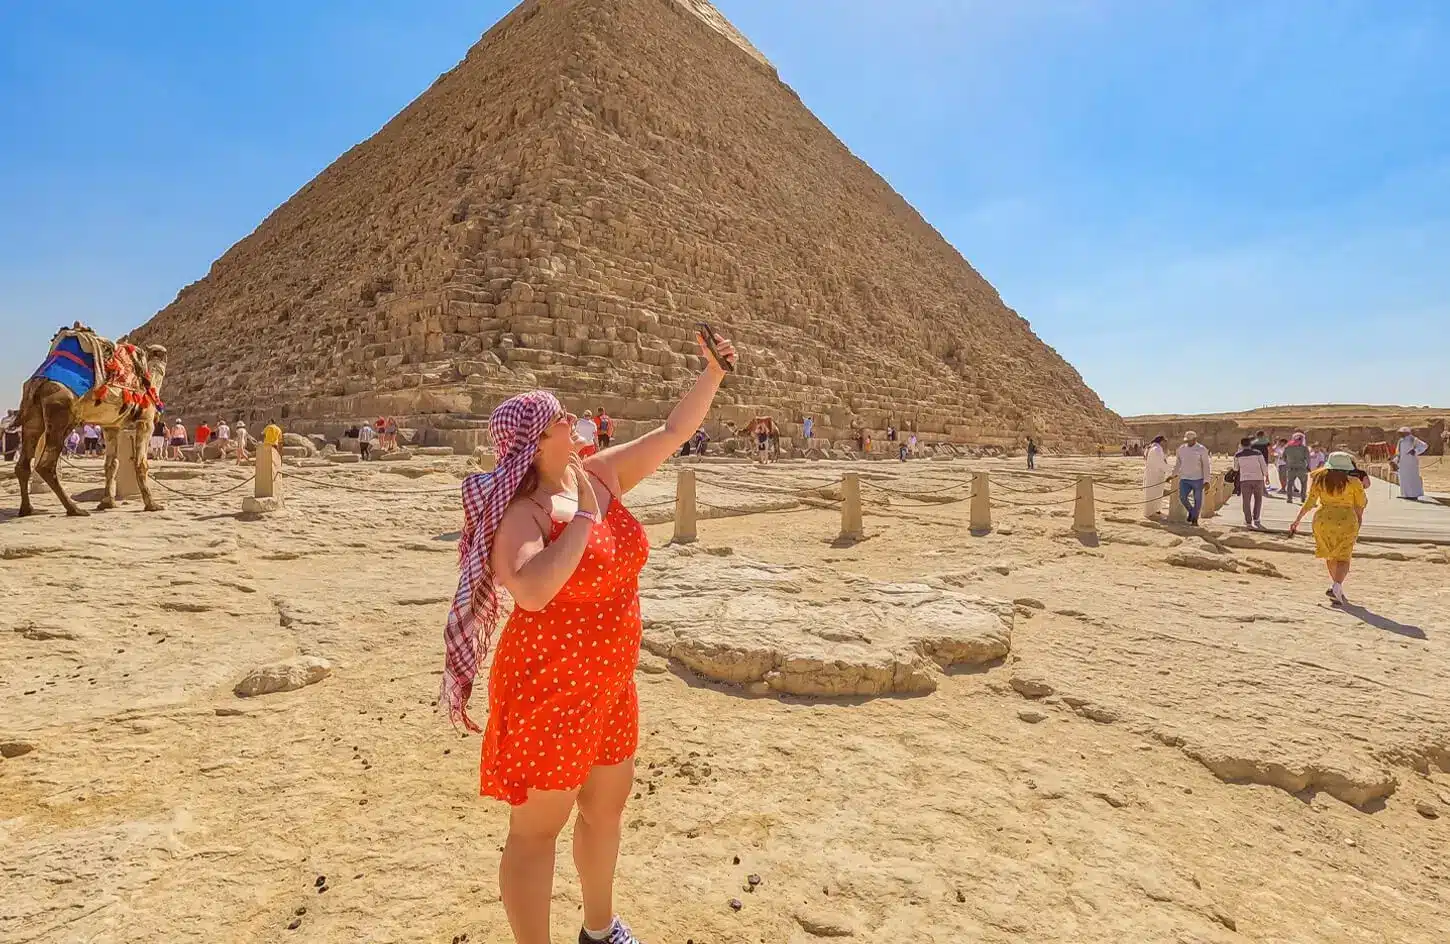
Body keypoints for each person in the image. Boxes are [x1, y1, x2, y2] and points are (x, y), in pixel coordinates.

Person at [441, 329, 736, 944]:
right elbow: (531, 590)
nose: (572, 419)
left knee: (605, 810)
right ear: (533, 443)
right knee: (536, 831)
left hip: (609, 683)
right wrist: (580, 517)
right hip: (550, 688)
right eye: (558, 418)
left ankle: (600, 930)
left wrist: (712, 373)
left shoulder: (599, 475)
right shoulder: (522, 514)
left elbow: (672, 433)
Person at [1289, 452, 1368, 605]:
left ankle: (1335, 586)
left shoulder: (1319, 479)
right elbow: (1360, 505)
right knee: (1344, 556)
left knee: (1330, 554)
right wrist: (1358, 522)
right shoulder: (1354, 482)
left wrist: (1297, 520)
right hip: (1346, 520)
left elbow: (1310, 502)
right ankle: (1337, 585)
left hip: (1323, 520)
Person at [1174, 431, 1212, 525]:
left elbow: (1206, 465)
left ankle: (1195, 519)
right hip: (1184, 478)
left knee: (1197, 500)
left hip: (1198, 479)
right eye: (1186, 441)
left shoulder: (1202, 449)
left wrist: (1207, 480)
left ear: (1195, 439)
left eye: (1190, 440)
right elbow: (1178, 463)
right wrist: (1173, 474)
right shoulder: (1181, 449)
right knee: (1182, 497)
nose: (1188, 442)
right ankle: (1191, 512)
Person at [1233, 436, 1269, 528]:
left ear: (1241, 445)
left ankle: (1248, 521)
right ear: (1250, 444)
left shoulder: (1237, 455)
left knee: (1246, 501)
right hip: (1258, 479)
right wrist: (1266, 476)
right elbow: (1263, 466)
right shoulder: (1258, 453)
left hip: (1245, 480)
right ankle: (1256, 518)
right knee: (1258, 499)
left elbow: (1236, 468)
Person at [1394, 427, 1429, 500]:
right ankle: (1405, 494)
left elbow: (1425, 446)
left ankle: (1414, 495)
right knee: (1403, 478)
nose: (1399, 435)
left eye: (1401, 433)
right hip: (1402, 463)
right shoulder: (1400, 441)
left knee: (1412, 478)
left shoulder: (1413, 439)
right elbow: (1398, 452)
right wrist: (1395, 461)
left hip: (1411, 463)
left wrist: (1415, 451)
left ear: (1406, 433)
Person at [1143, 435, 1169, 518]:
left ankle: (1152, 510)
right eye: (1164, 442)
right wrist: (1168, 470)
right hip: (1156, 474)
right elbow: (1160, 462)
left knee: (1151, 492)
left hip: (1151, 473)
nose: (1164, 444)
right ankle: (1153, 510)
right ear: (1161, 441)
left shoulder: (1150, 447)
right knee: (1155, 492)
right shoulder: (1157, 449)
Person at [1282, 433, 1310, 503]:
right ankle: (1303, 498)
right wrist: (1308, 466)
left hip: (1291, 468)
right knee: (1303, 484)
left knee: (1290, 484)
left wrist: (1288, 462)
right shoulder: (1304, 448)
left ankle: (1289, 498)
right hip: (1301, 468)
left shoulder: (1287, 447)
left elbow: (1283, 457)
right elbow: (1308, 459)